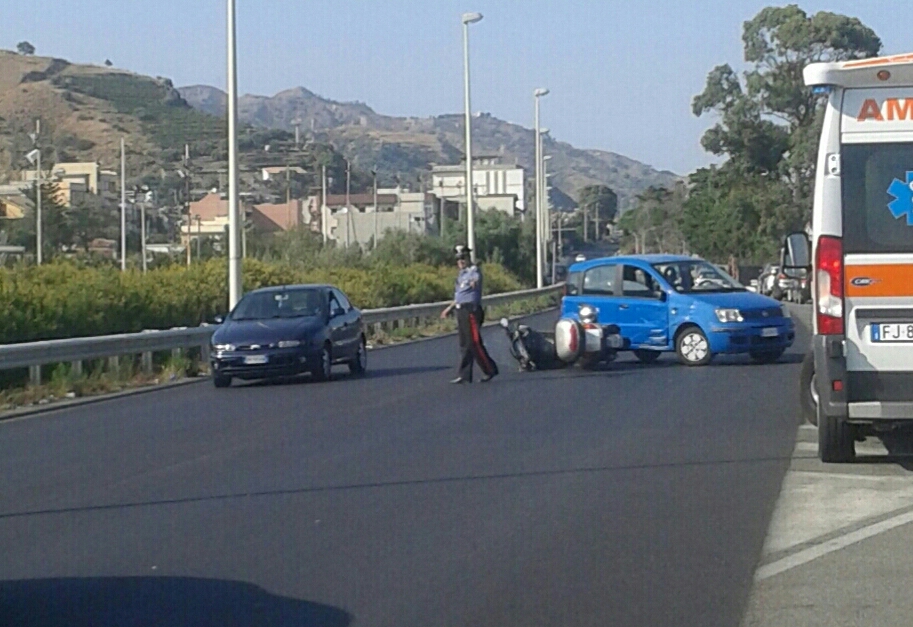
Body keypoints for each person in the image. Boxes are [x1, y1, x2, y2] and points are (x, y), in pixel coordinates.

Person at [440, 245, 499, 384]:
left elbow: (476, 280)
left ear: (468, 258)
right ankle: (464, 375)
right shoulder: (461, 275)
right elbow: (460, 295)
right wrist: (449, 309)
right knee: (464, 344)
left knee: (474, 342)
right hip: (461, 310)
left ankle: (489, 369)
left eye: (463, 258)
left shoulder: (474, 271)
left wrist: (474, 281)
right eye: (458, 259)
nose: (460, 261)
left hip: (471, 310)